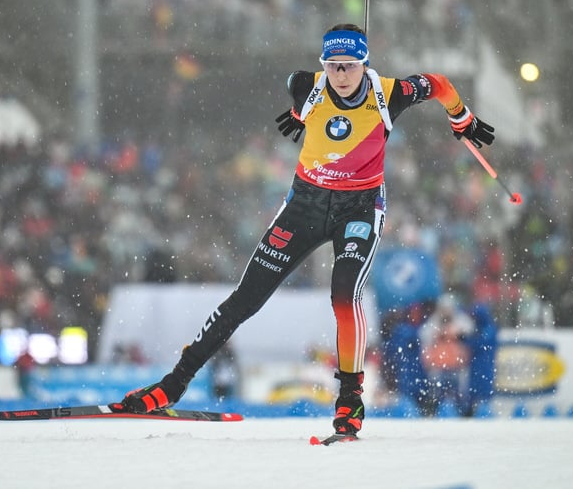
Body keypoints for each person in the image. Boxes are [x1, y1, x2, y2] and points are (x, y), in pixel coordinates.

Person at [112, 22, 495, 438]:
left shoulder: (390, 92)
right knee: (245, 300)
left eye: (349, 66)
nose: (340, 75)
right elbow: (295, 89)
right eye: (332, 66)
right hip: (304, 206)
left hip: (359, 208)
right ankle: (172, 385)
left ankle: (350, 400)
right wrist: (299, 115)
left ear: (364, 65)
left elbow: (438, 83)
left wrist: (462, 118)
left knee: (344, 295)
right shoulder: (305, 84)